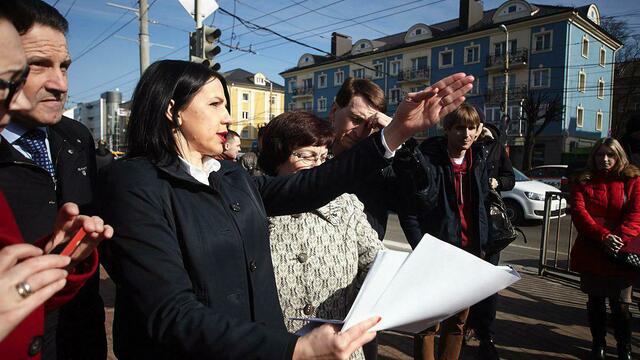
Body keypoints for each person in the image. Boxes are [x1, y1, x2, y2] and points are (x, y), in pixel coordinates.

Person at [98, 59, 474, 359]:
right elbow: (170, 312)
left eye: (226, 105)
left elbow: (312, 186)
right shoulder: (135, 183)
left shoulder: (228, 174)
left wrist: (397, 133)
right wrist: (294, 348)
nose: (228, 117)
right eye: (215, 104)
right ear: (172, 111)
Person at [0, 7, 113, 358]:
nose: (60, 84)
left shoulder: (76, 135)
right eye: (37, 65)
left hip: (81, 336)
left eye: (64, 66)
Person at [258, 111, 383, 360]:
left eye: (324, 157)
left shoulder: (346, 206)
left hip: (342, 352)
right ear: (277, 157)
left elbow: (376, 264)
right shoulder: (252, 207)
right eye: (307, 156)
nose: (318, 167)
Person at [399, 103, 490, 360]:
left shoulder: (478, 160)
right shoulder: (426, 160)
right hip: (435, 255)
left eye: (472, 128)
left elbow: (482, 207)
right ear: (447, 129)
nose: (467, 134)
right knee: (428, 324)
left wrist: (484, 247)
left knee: (458, 323)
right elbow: (409, 211)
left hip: (470, 255)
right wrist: (423, 249)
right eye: (460, 128)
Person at [569, 137, 640, 360]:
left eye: (610, 154)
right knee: (595, 301)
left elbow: (636, 214)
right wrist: (604, 237)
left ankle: (624, 348)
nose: (605, 159)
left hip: (622, 252)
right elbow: (580, 215)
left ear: (619, 156)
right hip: (592, 249)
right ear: (594, 157)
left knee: (621, 305)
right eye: (600, 155)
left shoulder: (633, 180)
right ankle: (598, 344)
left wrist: (617, 238)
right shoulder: (583, 180)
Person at [328, 78, 404, 241]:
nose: (360, 132)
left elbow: (419, 202)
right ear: (334, 112)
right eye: (355, 120)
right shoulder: (309, 158)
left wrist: (400, 139)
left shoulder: (381, 168)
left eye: (369, 125)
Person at [465, 120, 514, 360]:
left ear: (479, 125)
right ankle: (464, 326)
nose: (467, 132)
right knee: (465, 281)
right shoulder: (461, 144)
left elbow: (510, 177)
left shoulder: (495, 145)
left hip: (490, 225)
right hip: (465, 222)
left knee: (489, 281)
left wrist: (498, 182)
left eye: (472, 126)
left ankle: (486, 335)